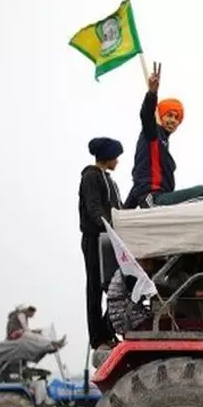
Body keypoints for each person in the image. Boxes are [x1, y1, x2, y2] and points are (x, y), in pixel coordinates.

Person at [124, 62, 203, 209]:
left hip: (159, 197)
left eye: (177, 118)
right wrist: (152, 93)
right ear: (160, 116)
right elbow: (146, 115)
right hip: (153, 199)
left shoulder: (163, 143)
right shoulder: (152, 133)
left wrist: (124, 212)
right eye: (169, 115)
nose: (173, 120)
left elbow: (138, 179)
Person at [79, 136, 125, 351]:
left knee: (116, 286)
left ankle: (108, 330)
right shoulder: (91, 176)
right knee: (96, 288)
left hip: (110, 239)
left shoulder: (109, 180)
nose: (118, 161)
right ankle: (98, 338)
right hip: (96, 239)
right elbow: (94, 208)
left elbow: (117, 208)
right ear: (108, 156)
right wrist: (109, 227)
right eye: (116, 157)